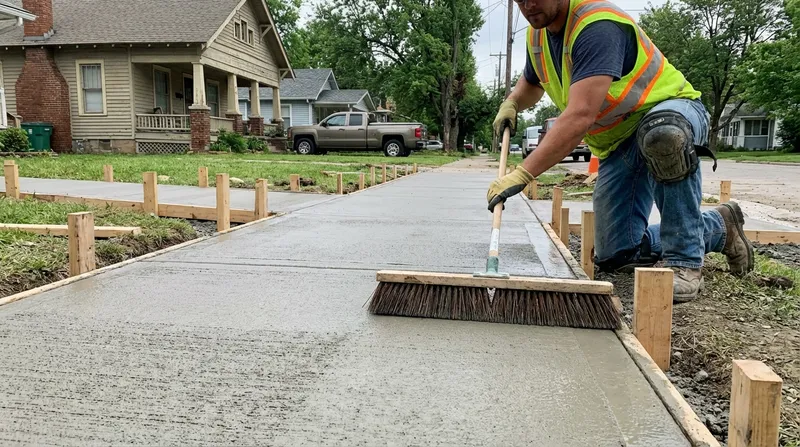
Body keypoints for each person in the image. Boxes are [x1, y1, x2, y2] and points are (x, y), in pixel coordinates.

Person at [486, 0, 753, 302]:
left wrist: (523, 173)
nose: (528, 5)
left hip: (668, 111)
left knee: (664, 137)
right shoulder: (538, 33)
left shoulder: (596, 26)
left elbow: (580, 115)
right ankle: (720, 227)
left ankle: (684, 261)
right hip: (621, 143)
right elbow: (532, 82)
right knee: (617, 254)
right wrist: (513, 102)